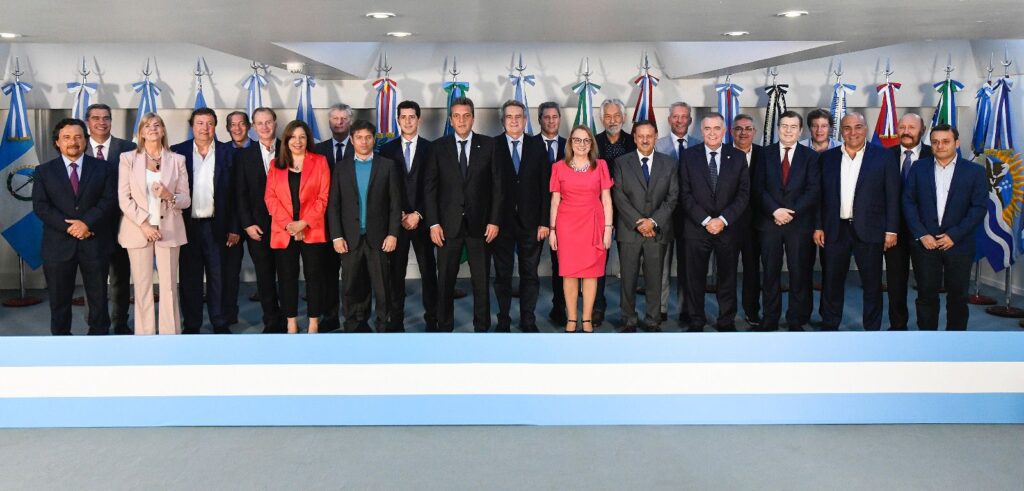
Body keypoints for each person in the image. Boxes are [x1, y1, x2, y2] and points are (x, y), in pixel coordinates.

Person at [32, 118, 119, 335]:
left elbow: (109, 201)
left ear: (86, 140)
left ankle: (99, 339)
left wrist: (86, 223)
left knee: (99, 299)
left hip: (95, 242)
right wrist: (71, 227)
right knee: (59, 301)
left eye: (78, 137)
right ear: (57, 142)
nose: (73, 142)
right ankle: (62, 341)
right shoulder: (43, 171)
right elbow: (41, 207)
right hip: (58, 246)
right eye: (67, 137)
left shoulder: (104, 168)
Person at [815, 113, 900, 331]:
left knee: (872, 284)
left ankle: (871, 329)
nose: (853, 132)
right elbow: (820, 196)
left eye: (858, 127)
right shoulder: (828, 158)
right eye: (847, 127)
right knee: (832, 281)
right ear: (841, 131)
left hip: (871, 230)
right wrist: (818, 226)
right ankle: (829, 325)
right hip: (836, 229)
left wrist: (891, 230)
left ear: (866, 128)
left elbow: (892, 195)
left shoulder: (884, 157)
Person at [425, 96, 503, 332]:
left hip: (481, 226)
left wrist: (494, 221)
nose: (461, 121)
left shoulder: (489, 145)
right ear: (450, 120)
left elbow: (497, 187)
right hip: (447, 227)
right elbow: (430, 189)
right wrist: (433, 224)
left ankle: (482, 328)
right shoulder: (438, 147)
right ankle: (444, 327)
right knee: (445, 281)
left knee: (481, 282)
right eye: (457, 116)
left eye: (466, 116)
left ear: (473, 118)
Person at [902, 124, 987, 330]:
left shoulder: (975, 171)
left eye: (945, 141)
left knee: (958, 297)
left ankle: (954, 342)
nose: (940, 146)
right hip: (926, 244)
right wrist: (922, 234)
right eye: (935, 142)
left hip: (958, 244)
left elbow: (978, 208)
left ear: (957, 143)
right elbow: (908, 202)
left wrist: (954, 235)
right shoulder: (919, 168)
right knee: (926, 295)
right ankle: (928, 340)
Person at [118, 113, 191, 335]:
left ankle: (170, 334)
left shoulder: (177, 160)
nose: (152, 129)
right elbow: (124, 198)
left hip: (169, 229)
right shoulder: (128, 159)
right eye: (147, 126)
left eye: (157, 125)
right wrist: (145, 225)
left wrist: (169, 195)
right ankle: (145, 335)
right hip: (138, 230)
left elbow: (186, 200)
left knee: (169, 287)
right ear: (141, 132)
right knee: (142, 287)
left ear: (163, 130)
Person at [170, 108, 240, 334]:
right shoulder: (177, 151)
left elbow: (237, 194)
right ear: (192, 126)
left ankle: (220, 322)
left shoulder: (228, 152)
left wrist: (235, 227)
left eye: (209, 123)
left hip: (217, 225)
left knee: (218, 276)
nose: (205, 128)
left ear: (215, 126)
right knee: (189, 278)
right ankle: (192, 324)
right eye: (200, 123)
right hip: (187, 225)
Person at [328, 120, 402, 333]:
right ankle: (354, 325)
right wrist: (336, 236)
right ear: (351, 140)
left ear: (374, 139)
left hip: (379, 238)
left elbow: (395, 204)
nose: (363, 141)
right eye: (359, 137)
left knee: (382, 287)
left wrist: (392, 234)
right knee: (351, 285)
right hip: (349, 238)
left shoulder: (387, 166)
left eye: (368, 137)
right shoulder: (341, 168)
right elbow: (334, 205)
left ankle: (383, 325)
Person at [679, 113, 749, 332]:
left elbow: (743, 194)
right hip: (697, 228)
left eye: (717, 128)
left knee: (727, 278)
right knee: (694, 278)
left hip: (727, 229)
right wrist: (707, 220)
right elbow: (684, 194)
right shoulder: (688, 156)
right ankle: (696, 320)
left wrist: (723, 220)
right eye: (707, 128)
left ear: (724, 131)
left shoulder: (737, 157)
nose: (712, 133)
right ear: (701, 131)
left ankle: (726, 321)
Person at [754, 111, 820, 331]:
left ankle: (796, 319)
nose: (788, 130)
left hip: (799, 224)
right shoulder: (764, 154)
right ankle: (770, 318)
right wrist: (775, 210)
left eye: (793, 127)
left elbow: (813, 190)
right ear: (778, 128)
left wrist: (790, 212)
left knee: (799, 273)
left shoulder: (811, 156)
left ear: (800, 131)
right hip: (769, 223)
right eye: (784, 126)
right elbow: (758, 188)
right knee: (770, 273)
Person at [612, 120, 678, 332]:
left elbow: (672, 197)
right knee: (628, 279)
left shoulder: (669, 163)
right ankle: (628, 320)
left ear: (656, 137)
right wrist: (639, 222)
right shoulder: (621, 163)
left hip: (657, 231)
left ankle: (653, 320)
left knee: (654, 279)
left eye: (649, 136)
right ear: (634, 137)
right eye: (640, 136)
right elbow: (618, 196)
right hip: (629, 231)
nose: (645, 140)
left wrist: (653, 222)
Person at [265, 120, 330, 334]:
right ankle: (291, 322)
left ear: (308, 139)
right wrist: (290, 226)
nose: (298, 141)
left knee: (315, 278)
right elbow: (270, 198)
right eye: (293, 137)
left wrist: (304, 223)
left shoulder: (320, 162)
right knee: (287, 279)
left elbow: (323, 197)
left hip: (312, 229)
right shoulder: (275, 165)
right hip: (284, 232)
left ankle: (313, 322)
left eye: (302, 137)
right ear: (286, 140)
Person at [491, 100, 550, 333]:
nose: (514, 120)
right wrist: (491, 221)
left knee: (530, 274)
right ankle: (503, 319)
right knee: (502, 274)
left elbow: (545, 187)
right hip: (501, 223)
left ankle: (528, 319)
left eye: (518, 116)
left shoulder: (537, 146)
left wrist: (544, 221)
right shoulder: (493, 146)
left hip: (531, 223)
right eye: (509, 117)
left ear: (525, 120)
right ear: (503, 121)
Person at [379, 100, 438, 332]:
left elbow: (435, 186)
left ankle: (432, 321)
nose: (407, 121)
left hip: (423, 221)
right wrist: (401, 214)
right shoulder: (386, 150)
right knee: (395, 275)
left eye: (412, 116)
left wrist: (419, 214)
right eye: (403, 117)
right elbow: (384, 187)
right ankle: (396, 322)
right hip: (397, 223)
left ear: (419, 119)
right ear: (397, 120)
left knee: (428, 273)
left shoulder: (431, 149)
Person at [549, 125, 614, 333]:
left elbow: (606, 200)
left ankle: (586, 319)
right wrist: (552, 230)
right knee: (568, 273)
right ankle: (571, 318)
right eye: (577, 140)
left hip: (594, 225)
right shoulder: (558, 167)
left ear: (592, 144)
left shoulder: (601, 165)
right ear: (570, 143)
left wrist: (608, 229)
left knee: (591, 274)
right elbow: (555, 201)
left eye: (586, 140)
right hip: (567, 226)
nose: (582, 144)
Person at [83, 103, 136, 334]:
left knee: (120, 278)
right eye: (96, 118)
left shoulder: (128, 148)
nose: (101, 122)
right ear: (88, 122)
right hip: (90, 226)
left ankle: (120, 322)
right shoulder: (78, 146)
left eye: (106, 118)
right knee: (93, 280)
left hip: (122, 223)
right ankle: (96, 325)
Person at [234, 107, 283, 333]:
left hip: (286, 226)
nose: (265, 127)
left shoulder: (290, 149)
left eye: (268, 122)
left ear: (275, 122)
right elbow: (240, 194)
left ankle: (289, 319)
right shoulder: (244, 156)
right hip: (258, 227)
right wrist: (247, 224)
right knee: (264, 277)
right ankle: (271, 321)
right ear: (253, 127)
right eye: (259, 123)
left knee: (287, 276)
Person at [886, 113, 932, 330]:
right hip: (894, 231)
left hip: (925, 232)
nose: (906, 131)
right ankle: (897, 327)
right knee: (895, 283)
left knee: (926, 284)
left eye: (912, 127)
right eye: (902, 127)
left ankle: (926, 330)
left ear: (922, 130)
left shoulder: (934, 154)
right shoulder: (885, 156)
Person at [655, 102, 700, 325]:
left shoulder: (700, 145)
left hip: (691, 216)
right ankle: (661, 308)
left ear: (690, 120)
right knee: (661, 265)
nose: (680, 120)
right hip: (663, 213)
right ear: (669, 119)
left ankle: (685, 309)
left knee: (688, 265)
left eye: (684, 116)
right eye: (675, 116)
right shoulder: (657, 145)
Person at [591, 98, 634, 327]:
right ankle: (597, 307)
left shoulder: (634, 141)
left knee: (628, 263)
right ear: (601, 119)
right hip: (599, 210)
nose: (612, 120)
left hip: (628, 210)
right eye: (607, 116)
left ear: (623, 117)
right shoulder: (593, 143)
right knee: (598, 261)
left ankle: (627, 312)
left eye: (616, 115)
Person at [312, 103, 354, 332]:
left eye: (343, 118)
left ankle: (354, 317)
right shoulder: (317, 150)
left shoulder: (361, 147)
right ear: (329, 122)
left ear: (350, 122)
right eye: (335, 118)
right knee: (327, 274)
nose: (339, 122)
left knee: (353, 274)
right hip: (324, 223)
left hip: (354, 222)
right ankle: (330, 316)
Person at [532, 101, 568, 325]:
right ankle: (528, 313)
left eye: (555, 117)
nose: (551, 121)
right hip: (534, 215)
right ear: (539, 120)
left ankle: (559, 308)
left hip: (562, 215)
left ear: (560, 120)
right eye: (547, 117)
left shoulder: (570, 146)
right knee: (530, 265)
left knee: (560, 265)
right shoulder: (529, 145)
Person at [730, 113, 764, 327]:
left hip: (755, 225)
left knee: (752, 271)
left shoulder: (764, 155)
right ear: (732, 132)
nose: (743, 133)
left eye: (748, 128)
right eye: (739, 128)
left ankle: (752, 311)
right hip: (729, 224)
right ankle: (727, 313)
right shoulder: (723, 153)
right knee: (727, 271)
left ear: (754, 132)